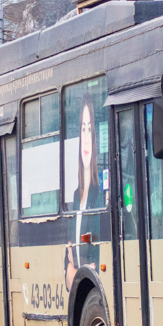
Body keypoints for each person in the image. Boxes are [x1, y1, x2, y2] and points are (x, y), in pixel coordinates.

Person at [67, 92, 102, 289]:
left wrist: (75, 269)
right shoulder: (75, 196)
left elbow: (95, 263)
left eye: (90, 129)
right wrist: (74, 269)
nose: (86, 138)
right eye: (83, 129)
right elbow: (67, 277)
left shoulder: (100, 196)